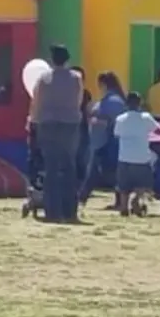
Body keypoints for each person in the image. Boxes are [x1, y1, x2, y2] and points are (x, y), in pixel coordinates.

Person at [29, 44, 83, 223]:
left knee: (51, 167)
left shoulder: (44, 78)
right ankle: (70, 211)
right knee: (69, 166)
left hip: (49, 124)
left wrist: (33, 121)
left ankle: (53, 211)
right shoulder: (76, 77)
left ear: (52, 60)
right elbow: (78, 100)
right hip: (70, 124)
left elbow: (36, 102)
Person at [81, 71, 126, 208]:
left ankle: (82, 198)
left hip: (105, 141)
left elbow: (110, 120)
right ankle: (83, 197)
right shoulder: (115, 100)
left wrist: (95, 119)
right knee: (110, 172)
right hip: (107, 141)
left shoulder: (111, 101)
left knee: (95, 171)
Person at [112, 91, 159, 216]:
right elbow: (157, 130)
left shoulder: (120, 119)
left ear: (126, 104)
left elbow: (116, 134)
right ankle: (136, 199)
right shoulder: (146, 117)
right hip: (141, 156)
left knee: (123, 185)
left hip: (124, 156)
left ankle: (123, 207)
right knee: (143, 183)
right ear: (140, 104)